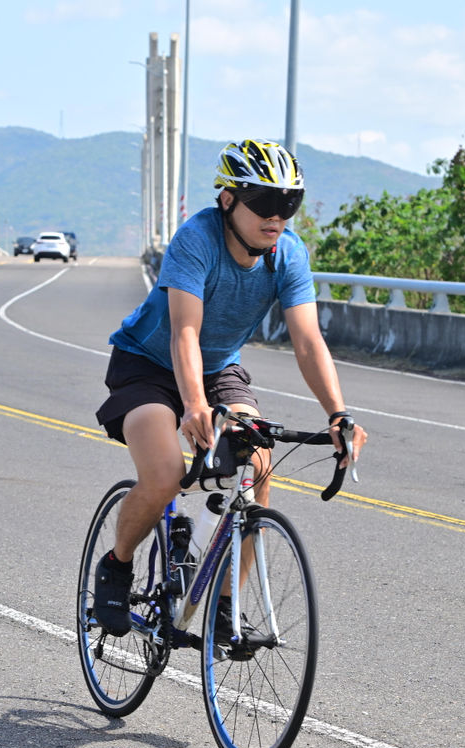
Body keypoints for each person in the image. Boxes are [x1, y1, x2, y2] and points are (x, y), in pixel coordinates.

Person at [92, 138, 368, 639]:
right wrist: (194, 405)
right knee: (166, 474)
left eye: (288, 203)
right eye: (263, 201)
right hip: (147, 365)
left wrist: (338, 413)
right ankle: (117, 564)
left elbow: (309, 341)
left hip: (219, 368)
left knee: (257, 462)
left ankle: (224, 606)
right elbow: (185, 332)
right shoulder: (197, 239)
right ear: (227, 199)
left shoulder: (287, 254)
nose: (276, 216)